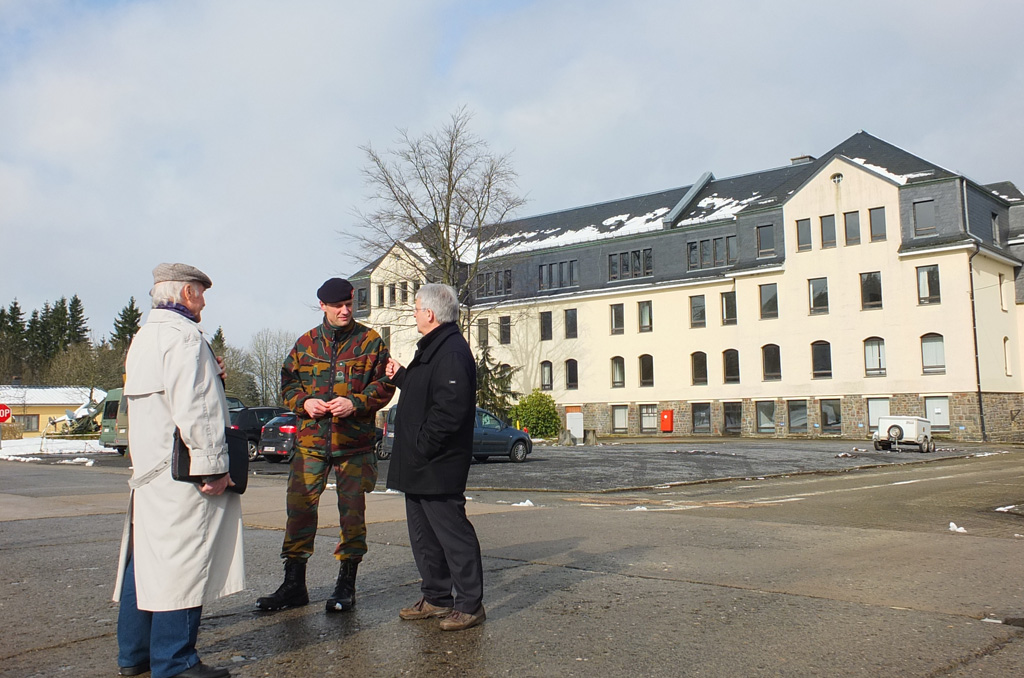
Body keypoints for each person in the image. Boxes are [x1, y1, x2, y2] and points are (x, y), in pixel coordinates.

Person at [113, 263, 244, 678]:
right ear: (186, 294)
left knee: (145, 562)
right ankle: (176, 660)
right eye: (201, 293)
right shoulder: (186, 339)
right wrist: (213, 469)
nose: (204, 301)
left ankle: (134, 655)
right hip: (183, 473)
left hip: (150, 472)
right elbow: (197, 411)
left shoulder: (144, 338)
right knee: (183, 563)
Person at [256, 277, 395, 613]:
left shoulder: (370, 342)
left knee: (352, 517)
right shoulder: (306, 344)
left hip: (354, 445)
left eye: (349, 304)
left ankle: (346, 584)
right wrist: (303, 403)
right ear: (323, 306)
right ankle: (293, 585)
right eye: (338, 306)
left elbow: (386, 385)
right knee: (299, 512)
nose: (345, 311)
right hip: (311, 444)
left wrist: (357, 403)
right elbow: (287, 385)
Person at [385, 283, 485, 631]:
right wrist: (401, 377)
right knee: (424, 536)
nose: (413, 314)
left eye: (415, 309)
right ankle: (437, 597)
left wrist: (422, 445)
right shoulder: (433, 348)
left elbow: (450, 410)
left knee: (452, 535)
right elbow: (425, 390)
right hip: (420, 464)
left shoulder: (452, 352)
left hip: (437, 464)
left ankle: (470, 604)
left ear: (429, 313)